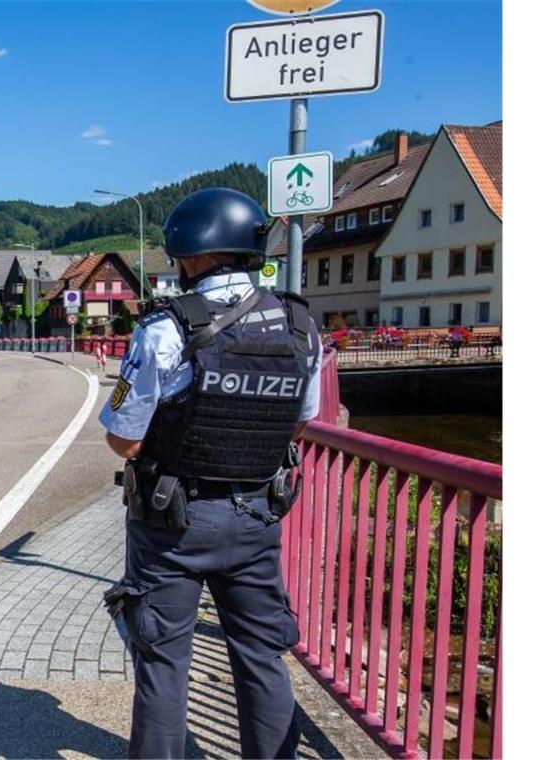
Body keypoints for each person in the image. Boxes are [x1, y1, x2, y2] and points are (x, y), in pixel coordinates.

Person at [99, 188, 322, 760]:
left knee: (164, 664)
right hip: (256, 517)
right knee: (261, 657)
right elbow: (301, 421)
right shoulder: (300, 324)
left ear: (191, 254)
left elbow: (124, 439)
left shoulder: (166, 328)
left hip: (173, 523)